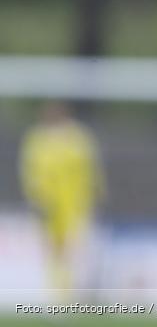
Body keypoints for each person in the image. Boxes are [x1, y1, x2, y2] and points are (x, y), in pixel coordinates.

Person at [19, 102, 105, 296]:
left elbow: (91, 171)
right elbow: (31, 173)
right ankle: (59, 296)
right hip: (49, 206)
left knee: (74, 252)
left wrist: (96, 194)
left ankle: (70, 294)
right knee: (53, 252)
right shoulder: (38, 139)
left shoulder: (78, 138)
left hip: (76, 205)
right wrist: (36, 198)